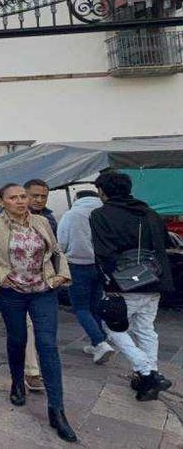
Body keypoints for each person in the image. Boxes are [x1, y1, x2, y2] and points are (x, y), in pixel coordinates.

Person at [0, 183, 77, 442]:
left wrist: (63, 275)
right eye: (13, 197)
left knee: (47, 345)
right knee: (17, 339)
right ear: (2, 201)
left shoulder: (41, 222)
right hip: (11, 293)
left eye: (23, 196)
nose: (20, 201)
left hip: (44, 290)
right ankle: (17, 381)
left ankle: (56, 409)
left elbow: (57, 251)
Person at [90, 171, 175, 401]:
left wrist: (109, 280)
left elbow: (104, 253)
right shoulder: (150, 213)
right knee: (146, 329)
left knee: (112, 328)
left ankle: (146, 372)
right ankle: (149, 379)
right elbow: (164, 245)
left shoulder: (101, 214)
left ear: (102, 191)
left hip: (124, 283)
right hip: (154, 281)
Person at [57, 190, 115, 364]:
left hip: (77, 265)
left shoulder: (71, 214)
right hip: (101, 266)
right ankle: (97, 341)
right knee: (95, 305)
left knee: (81, 308)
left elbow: (61, 242)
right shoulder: (105, 213)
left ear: (77, 199)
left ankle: (100, 342)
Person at [20, 179, 55, 392]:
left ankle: (36, 368)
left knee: (41, 327)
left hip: (43, 282)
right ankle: (32, 371)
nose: (39, 200)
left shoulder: (49, 219)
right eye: (35, 196)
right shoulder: (7, 220)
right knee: (27, 326)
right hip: (16, 283)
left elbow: (56, 249)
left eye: (43, 196)